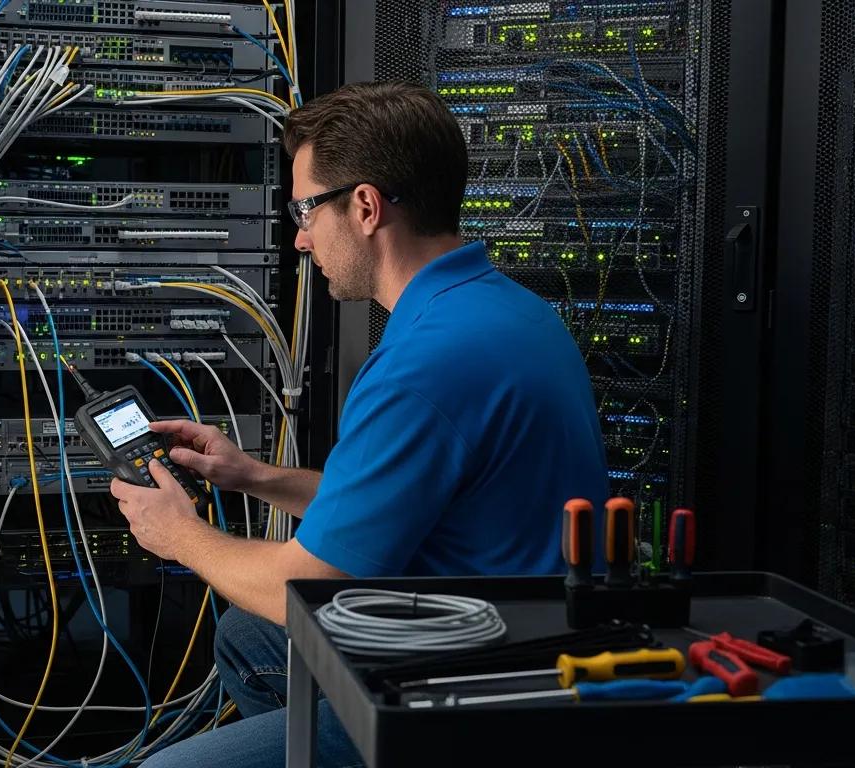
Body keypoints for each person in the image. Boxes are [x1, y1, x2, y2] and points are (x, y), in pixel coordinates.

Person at [111, 80, 610, 767]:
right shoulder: (508, 311)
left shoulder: (422, 364)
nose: (300, 239)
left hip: (476, 692)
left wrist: (180, 536)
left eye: (307, 210)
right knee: (247, 639)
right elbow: (409, 498)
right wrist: (254, 477)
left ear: (367, 207)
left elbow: (311, 583)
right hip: (535, 641)